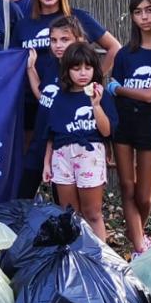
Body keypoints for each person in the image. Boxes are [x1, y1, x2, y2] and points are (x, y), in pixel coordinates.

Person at [41, 41, 117, 241]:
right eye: (76, 68)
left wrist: (96, 105)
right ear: (67, 70)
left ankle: (101, 261)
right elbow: (52, 134)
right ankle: (76, 260)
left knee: (92, 213)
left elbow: (106, 130)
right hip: (62, 156)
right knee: (70, 214)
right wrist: (46, 163)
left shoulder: (101, 95)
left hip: (89, 154)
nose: (82, 73)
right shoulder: (59, 98)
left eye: (88, 67)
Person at [109, 0, 151, 255]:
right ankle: (139, 247)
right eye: (137, 12)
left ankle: (137, 235)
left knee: (144, 195)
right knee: (126, 186)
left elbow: (150, 95)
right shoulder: (124, 55)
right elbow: (111, 93)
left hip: (150, 125)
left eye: (149, 10)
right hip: (123, 124)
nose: (144, 17)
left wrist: (119, 89)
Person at [19, 15, 85, 199]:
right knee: (23, 194)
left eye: (65, 39)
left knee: (63, 204)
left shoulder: (78, 74)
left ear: (78, 40)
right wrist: (31, 69)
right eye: (53, 40)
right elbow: (44, 96)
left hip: (61, 147)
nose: (58, 45)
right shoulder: (51, 64)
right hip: (38, 142)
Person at [26, 0, 122, 72]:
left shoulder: (79, 17)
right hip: (34, 87)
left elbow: (115, 47)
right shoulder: (24, 25)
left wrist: (95, 79)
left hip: (71, 87)